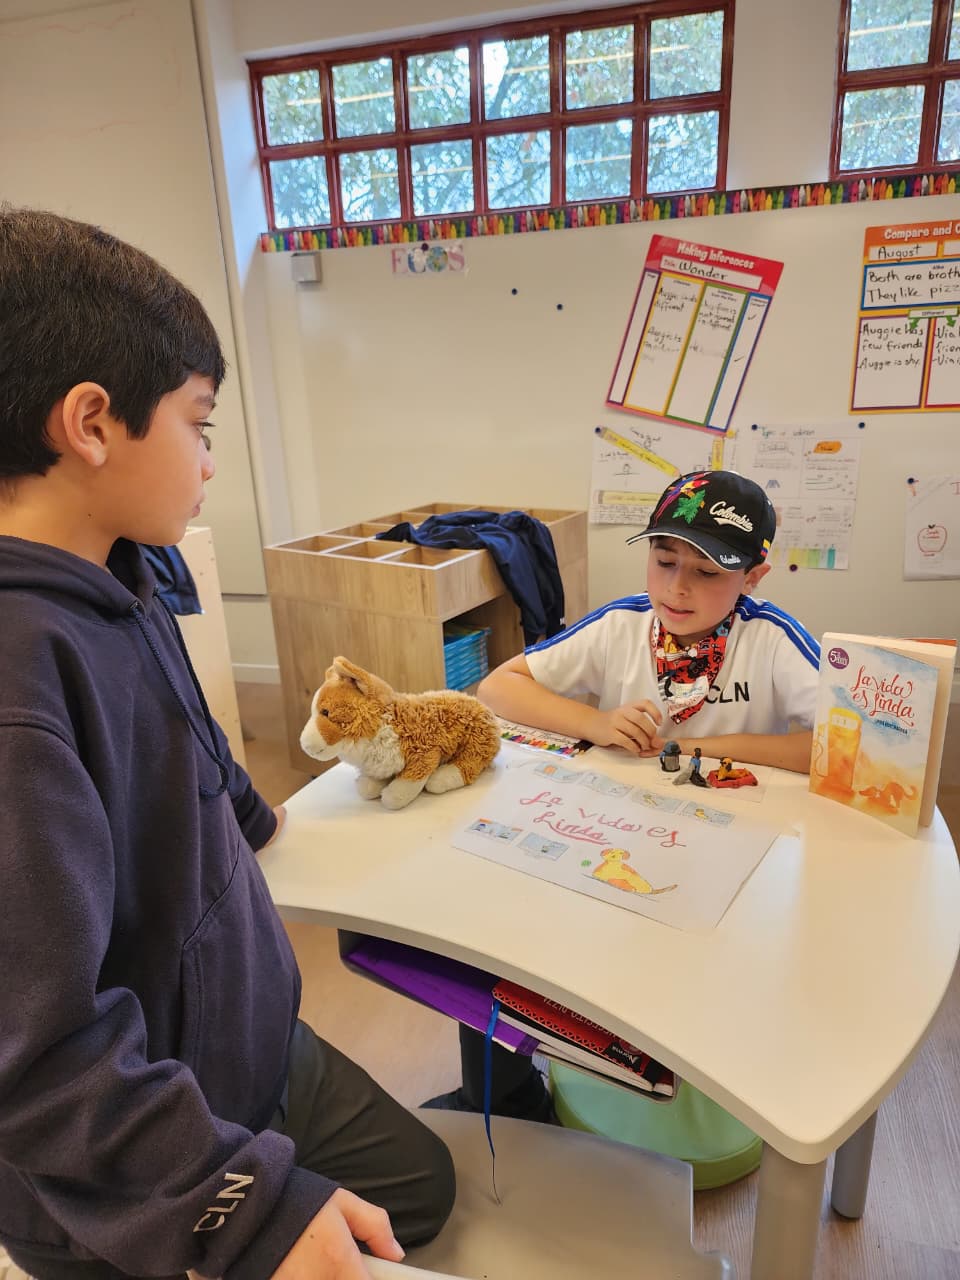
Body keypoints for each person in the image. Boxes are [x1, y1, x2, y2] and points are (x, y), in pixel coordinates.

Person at [0, 208, 454, 1280]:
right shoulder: (21, 680)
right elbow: (36, 1057)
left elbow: (185, 735)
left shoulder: (120, 564)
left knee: (423, 1188)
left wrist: (255, 815)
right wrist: (236, 1203)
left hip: (245, 1047)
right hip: (134, 1158)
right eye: (199, 425)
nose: (209, 462)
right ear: (92, 423)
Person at [426, 468, 820, 1120]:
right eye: (664, 561)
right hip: (616, 841)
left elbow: (847, 745)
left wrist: (705, 749)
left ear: (753, 577)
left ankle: (698, 1079)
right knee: (497, 928)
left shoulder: (771, 639)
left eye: (707, 572)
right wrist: (596, 722)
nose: (676, 588)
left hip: (724, 862)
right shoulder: (622, 624)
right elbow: (498, 688)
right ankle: (507, 1099)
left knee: (708, 972)